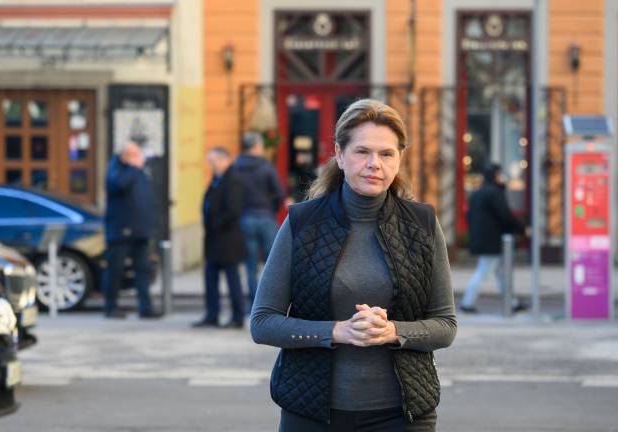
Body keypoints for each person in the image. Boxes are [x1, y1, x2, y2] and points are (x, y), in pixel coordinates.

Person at [251, 99, 456, 431]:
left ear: (399, 159)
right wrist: (337, 331)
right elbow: (262, 323)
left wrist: (393, 331)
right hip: (312, 412)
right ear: (340, 154)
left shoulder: (423, 224)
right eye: (363, 151)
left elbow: (445, 325)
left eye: (386, 154)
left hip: (403, 415)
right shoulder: (302, 223)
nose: (375, 164)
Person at [460, 163, 527, 314]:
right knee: (483, 272)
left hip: (484, 239)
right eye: (499, 174)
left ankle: (512, 302)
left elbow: (470, 217)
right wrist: (522, 229)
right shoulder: (494, 193)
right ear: (496, 176)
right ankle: (467, 303)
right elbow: (505, 216)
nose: (501, 177)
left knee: (501, 273)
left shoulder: (478, 193)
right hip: (492, 241)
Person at [193, 147, 248, 329]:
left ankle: (237, 317)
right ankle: (212, 315)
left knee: (232, 279)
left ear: (225, 160)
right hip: (213, 239)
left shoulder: (233, 180)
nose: (211, 165)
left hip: (227, 239)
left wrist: (216, 225)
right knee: (210, 277)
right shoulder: (217, 179)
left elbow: (233, 211)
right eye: (210, 161)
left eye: (214, 161)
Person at [102, 141, 158, 319]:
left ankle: (146, 307)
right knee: (115, 270)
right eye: (137, 155)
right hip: (121, 232)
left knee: (143, 271)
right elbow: (118, 185)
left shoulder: (139, 172)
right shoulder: (118, 170)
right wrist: (133, 168)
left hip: (140, 232)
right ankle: (111, 307)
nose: (141, 159)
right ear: (127, 157)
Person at [232, 131, 284, 305]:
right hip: (265, 216)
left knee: (250, 264)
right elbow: (279, 193)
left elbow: (232, 196)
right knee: (274, 263)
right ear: (255, 147)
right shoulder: (266, 167)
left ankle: (254, 303)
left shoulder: (235, 168)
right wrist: (272, 210)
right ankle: (273, 303)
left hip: (245, 218)